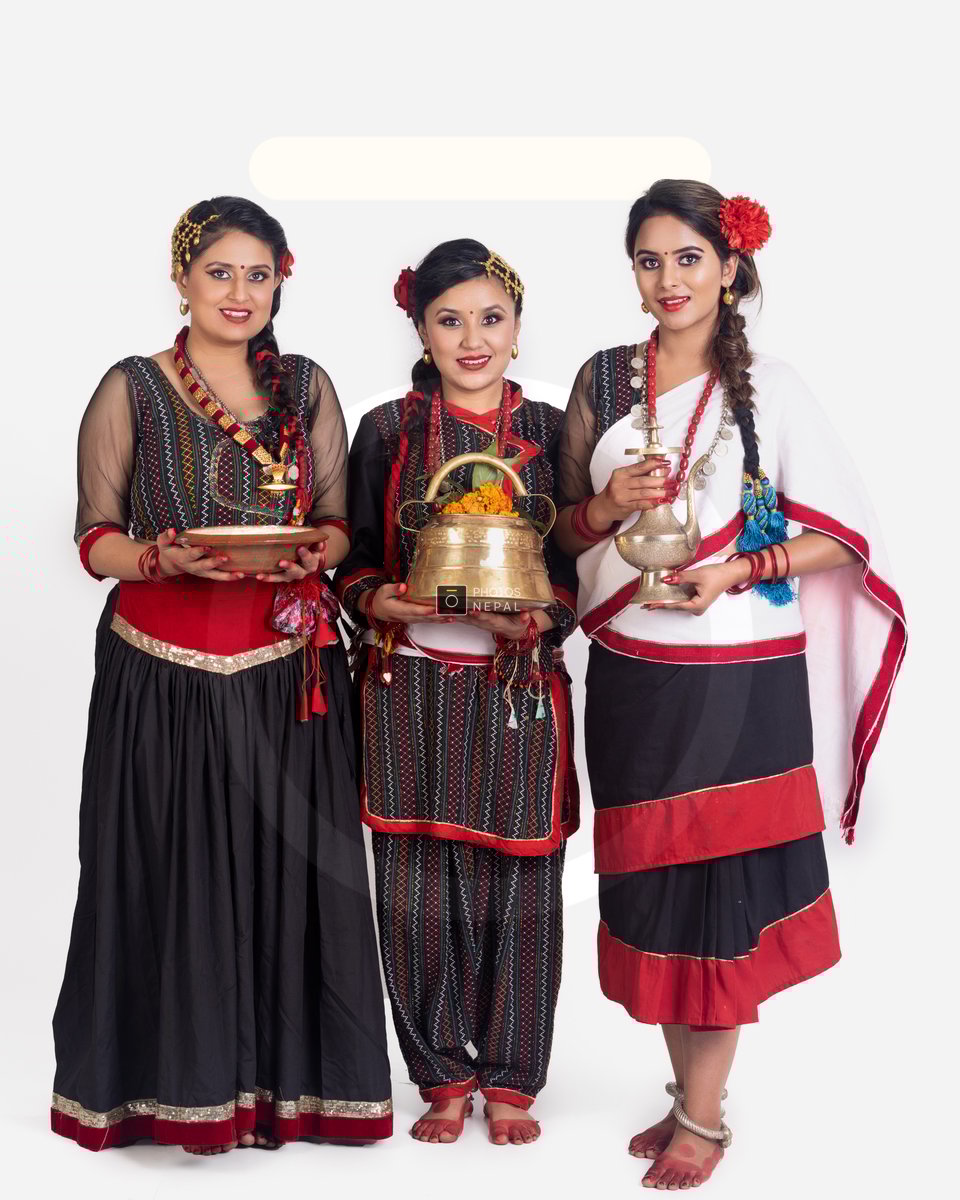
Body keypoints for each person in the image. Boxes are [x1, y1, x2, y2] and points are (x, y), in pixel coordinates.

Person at [554, 180, 905, 1188]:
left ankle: (704, 1120)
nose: (669, 280)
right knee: (656, 892)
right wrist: (608, 506)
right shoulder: (602, 383)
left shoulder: (774, 388)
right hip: (633, 679)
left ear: (730, 267)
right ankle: (684, 1102)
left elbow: (841, 537)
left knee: (720, 896)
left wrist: (736, 572)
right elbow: (558, 530)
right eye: (650, 260)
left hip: (742, 681)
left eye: (689, 259)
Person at [52, 196, 392, 1154]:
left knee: (287, 870)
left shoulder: (308, 386)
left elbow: (336, 525)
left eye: (257, 274)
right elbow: (94, 539)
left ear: (282, 278)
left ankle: (286, 1096)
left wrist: (309, 556)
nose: (239, 293)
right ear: (183, 280)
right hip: (160, 672)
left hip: (285, 669)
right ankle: (164, 1093)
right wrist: (161, 560)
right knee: (162, 870)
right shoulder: (132, 387)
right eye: (220, 273)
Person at [334, 240, 579, 1146]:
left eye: (490, 318)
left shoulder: (554, 434)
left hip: (516, 680)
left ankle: (513, 1078)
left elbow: (575, 566)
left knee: (524, 877)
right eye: (449, 320)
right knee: (413, 879)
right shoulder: (389, 432)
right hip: (408, 682)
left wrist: (541, 617)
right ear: (421, 330)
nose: (472, 339)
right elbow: (354, 557)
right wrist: (390, 599)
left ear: (517, 329)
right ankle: (441, 1074)